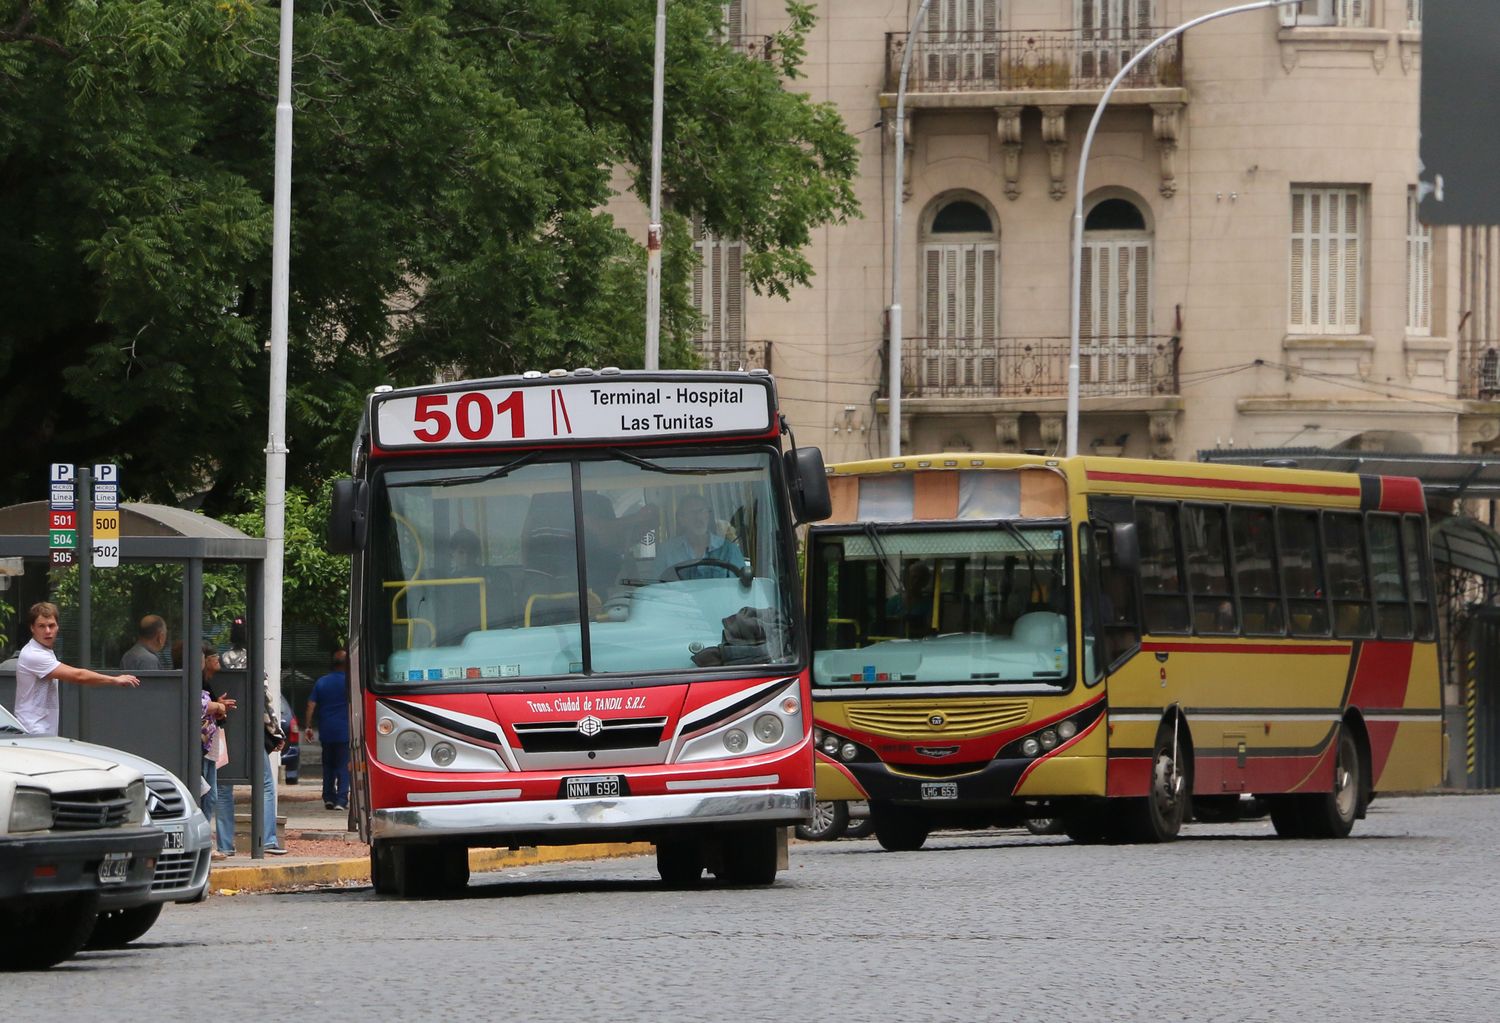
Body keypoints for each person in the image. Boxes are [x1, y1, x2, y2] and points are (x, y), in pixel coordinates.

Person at [14, 601, 141, 735]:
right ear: (32, 628)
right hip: (32, 731)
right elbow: (78, 676)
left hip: (40, 730)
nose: (47, 631)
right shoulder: (34, 654)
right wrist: (114, 680)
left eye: (51, 625)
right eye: (41, 626)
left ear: (58, 627)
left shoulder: (43, 651)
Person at [657, 494, 746, 580]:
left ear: (708, 516)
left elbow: (740, 586)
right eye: (692, 513)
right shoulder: (666, 552)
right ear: (681, 519)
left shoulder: (729, 549)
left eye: (702, 511)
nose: (698, 518)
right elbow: (657, 588)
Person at [306, 649, 350, 811]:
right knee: (344, 766)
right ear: (347, 664)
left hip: (326, 731)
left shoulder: (322, 682)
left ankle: (328, 797)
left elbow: (311, 705)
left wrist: (309, 726)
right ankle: (341, 799)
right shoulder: (350, 683)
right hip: (345, 731)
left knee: (328, 766)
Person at [260, 679, 288, 854]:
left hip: (224, 734)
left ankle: (225, 844)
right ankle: (268, 839)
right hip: (253, 736)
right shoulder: (254, 665)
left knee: (223, 790)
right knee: (267, 786)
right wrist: (276, 733)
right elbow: (265, 705)